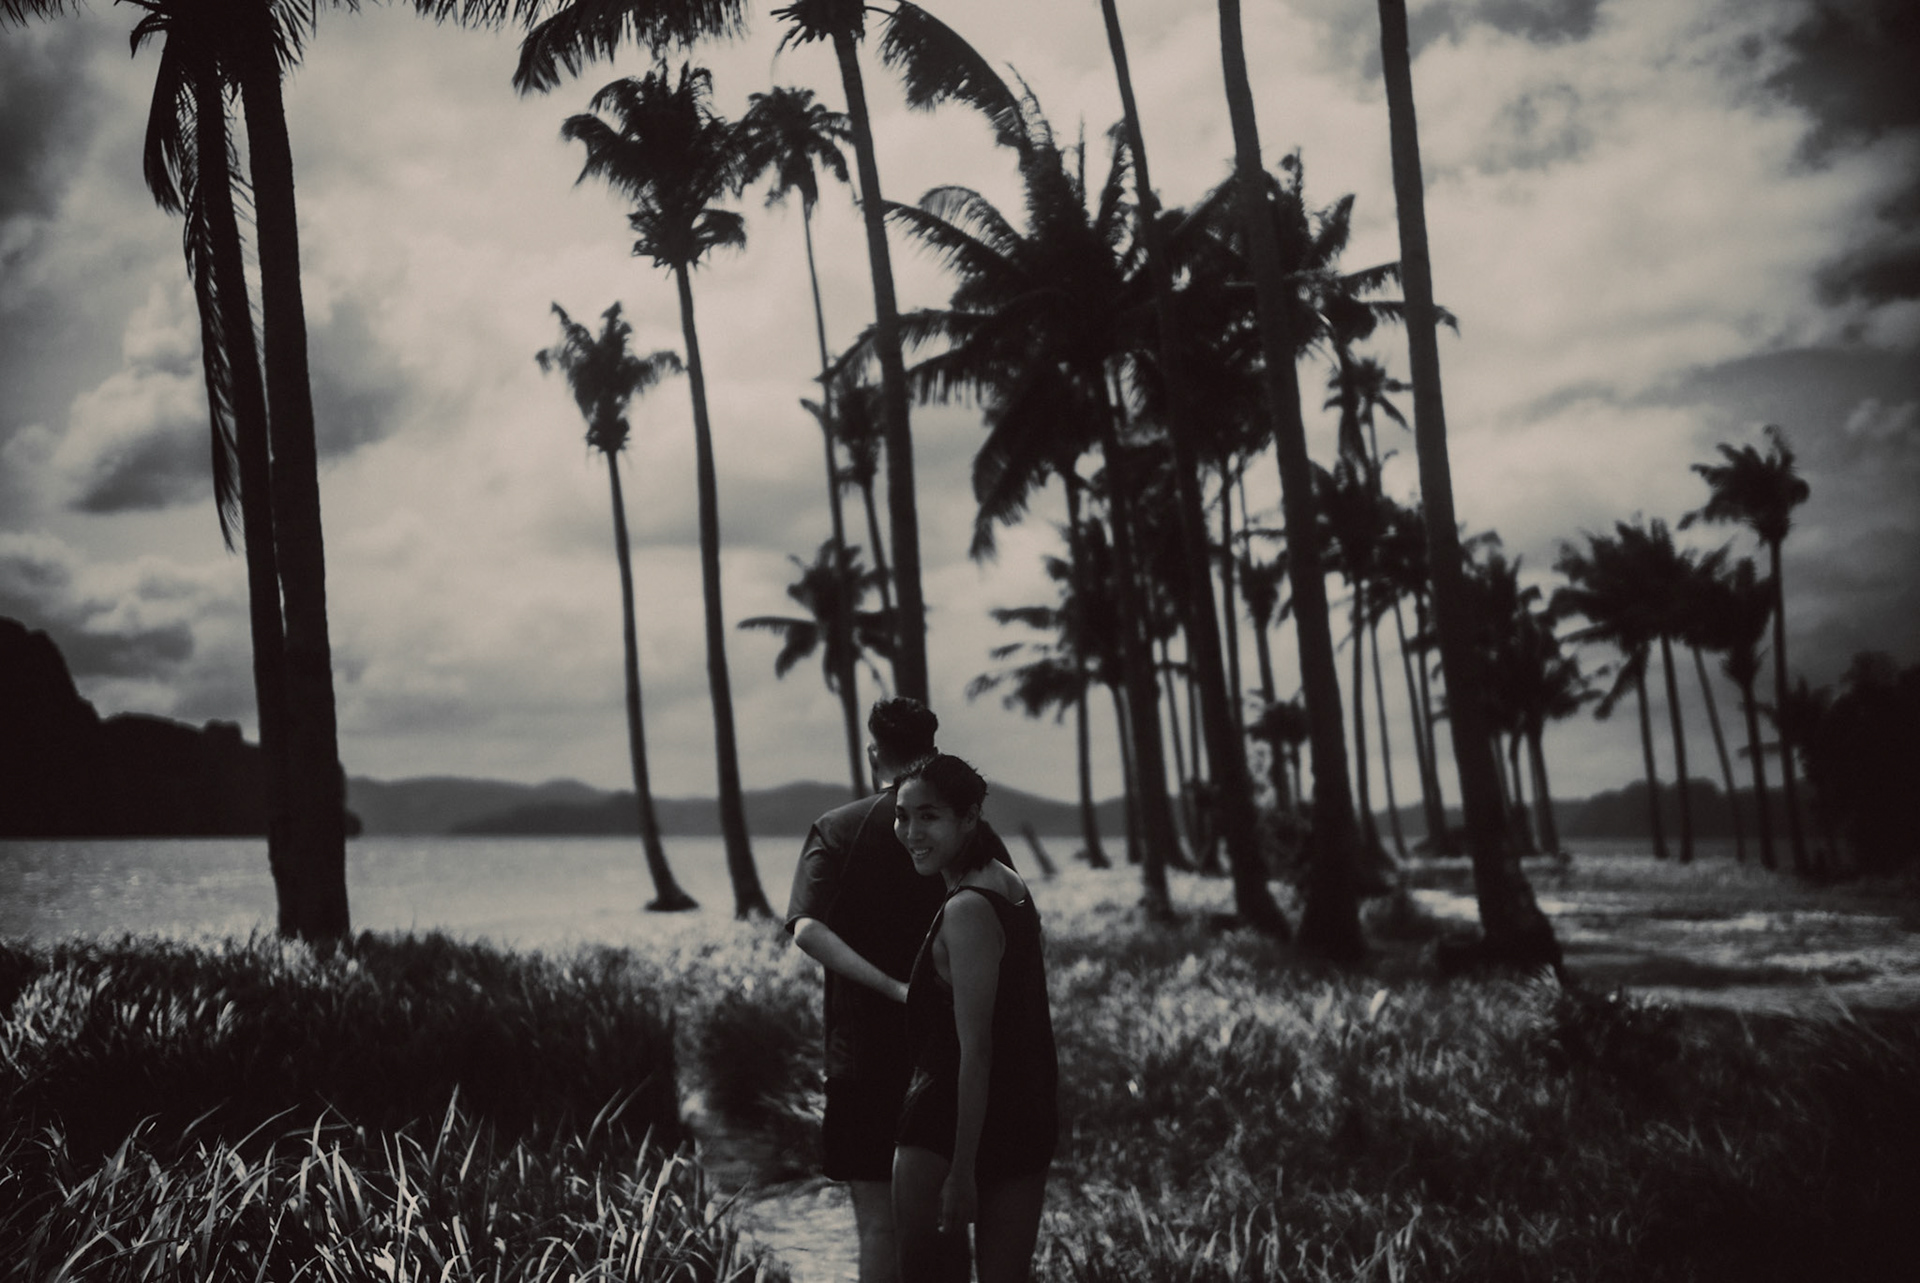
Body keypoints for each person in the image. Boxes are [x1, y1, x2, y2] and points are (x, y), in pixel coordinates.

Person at [786, 699, 1014, 1283]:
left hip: (863, 1057)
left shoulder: (839, 828)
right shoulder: (971, 833)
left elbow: (807, 929)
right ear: (933, 751)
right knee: (948, 1220)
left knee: (880, 1226)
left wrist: (892, 987)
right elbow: (1013, 923)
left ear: (873, 753)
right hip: (950, 1060)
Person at [892, 754, 1057, 1282]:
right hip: (1025, 1114)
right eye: (902, 815)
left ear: (969, 817)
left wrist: (962, 1171)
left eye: (929, 816)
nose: (911, 832)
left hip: (948, 1127)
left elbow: (976, 1049)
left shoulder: (967, 907)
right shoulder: (1010, 885)